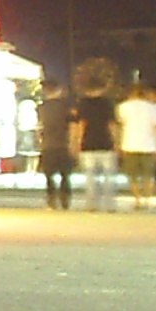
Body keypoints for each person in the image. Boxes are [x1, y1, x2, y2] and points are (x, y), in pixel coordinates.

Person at [73, 76, 125, 213]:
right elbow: (111, 125)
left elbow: (81, 125)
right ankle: (110, 205)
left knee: (90, 176)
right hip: (106, 142)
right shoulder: (108, 103)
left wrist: (78, 142)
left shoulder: (82, 104)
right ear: (103, 88)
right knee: (109, 176)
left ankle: (91, 204)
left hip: (88, 143)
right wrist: (117, 142)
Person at [115, 83, 156, 210]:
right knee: (148, 175)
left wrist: (118, 143)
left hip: (129, 144)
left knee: (132, 175)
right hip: (149, 145)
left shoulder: (123, 107)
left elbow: (119, 127)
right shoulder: (153, 108)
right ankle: (147, 200)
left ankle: (137, 199)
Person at [37, 82, 76, 210]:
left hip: (48, 144)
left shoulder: (41, 107)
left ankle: (51, 199)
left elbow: (40, 126)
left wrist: (40, 141)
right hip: (63, 143)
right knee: (65, 175)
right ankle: (65, 200)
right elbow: (72, 125)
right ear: (59, 89)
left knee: (49, 175)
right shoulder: (66, 106)